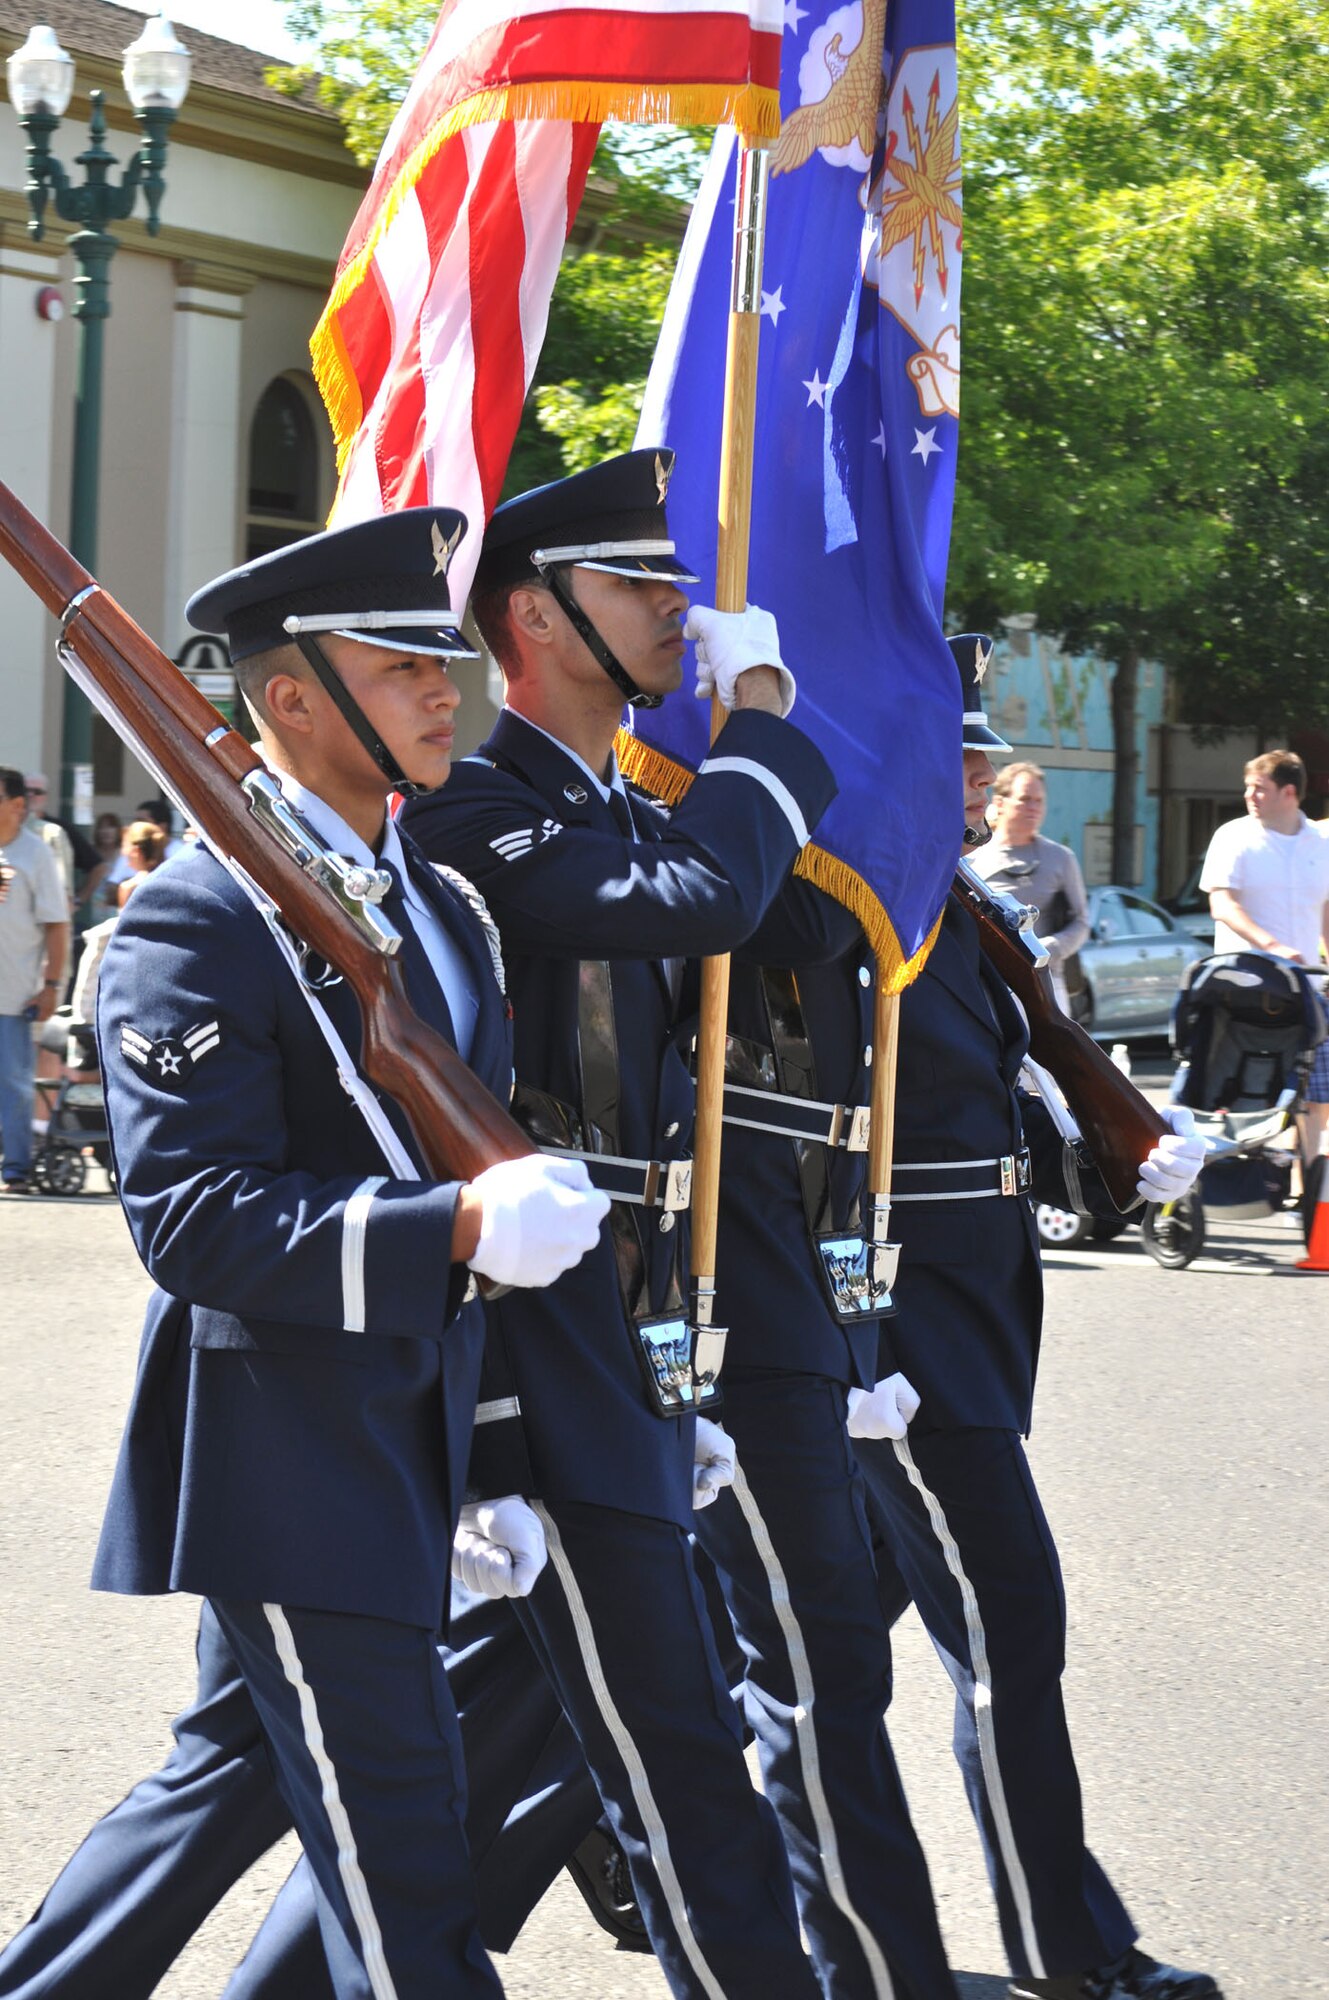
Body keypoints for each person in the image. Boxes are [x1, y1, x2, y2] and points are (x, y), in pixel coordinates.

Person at [0, 454, 828, 2000]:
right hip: (288, 1457)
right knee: (407, 1893)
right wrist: (447, 1228)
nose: (453, 693)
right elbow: (194, 1221)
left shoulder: (429, 906)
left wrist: (506, 1446)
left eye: (448, 657)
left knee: (253, 1804)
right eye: (404, 667)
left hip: (423, 1438)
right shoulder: (194, 919)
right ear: (294, 702)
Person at [1198, 749, 1329, 1166]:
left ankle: (1305, 1191)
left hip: (1307, 991)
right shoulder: (1233, 837)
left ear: (1289, 793)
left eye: (1260, 788)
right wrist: (1273, 948)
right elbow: (1224, 905)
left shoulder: (1321, 845)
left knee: (1316, 1100)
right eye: (1248, 786)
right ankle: (1223, 1174)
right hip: (1243, 993)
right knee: (1241, 1088)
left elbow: (1324, 910)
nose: (1249, 795)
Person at [969, 747, 1090, 1015]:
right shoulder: (972, 857)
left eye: (1039, 800)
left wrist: (1049, 948)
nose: (1034, 808)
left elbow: (1081, 922)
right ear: (1000, 803)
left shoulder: (1060, 858)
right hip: (989, 980)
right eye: (1025, 799)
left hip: (1047, 982)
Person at [0, 767, 69, 1193]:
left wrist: (51, 985)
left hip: (13, 994)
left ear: (18, 805)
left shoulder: (36, 854)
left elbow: (57, 925)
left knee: (14, 1084)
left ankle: (17, 1166)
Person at [114, 819, 169, 907]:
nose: (123, 852)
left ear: (136, 851)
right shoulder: (172, 881)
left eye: (124, 845)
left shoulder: (130, 888)